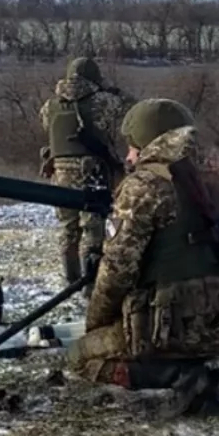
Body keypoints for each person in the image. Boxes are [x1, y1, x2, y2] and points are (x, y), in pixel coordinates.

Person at [61, 98, 219, 415]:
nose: (128, 156)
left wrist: (96, 323)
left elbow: (117, 272)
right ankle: (194, 368)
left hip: (170, 327)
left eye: (133, 146)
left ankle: (183, 375)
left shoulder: (143, 186)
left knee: (80, 358)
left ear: (150, 142)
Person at [37, 57, 132, 288]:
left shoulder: (51, 105)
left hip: (59, 171)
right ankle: (91, 284)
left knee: (68, 227)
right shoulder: (104, 100)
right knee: (93, 226)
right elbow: (133, 113)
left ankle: (71, 279)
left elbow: (46, 126)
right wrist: (114, 91)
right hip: (92, 169)